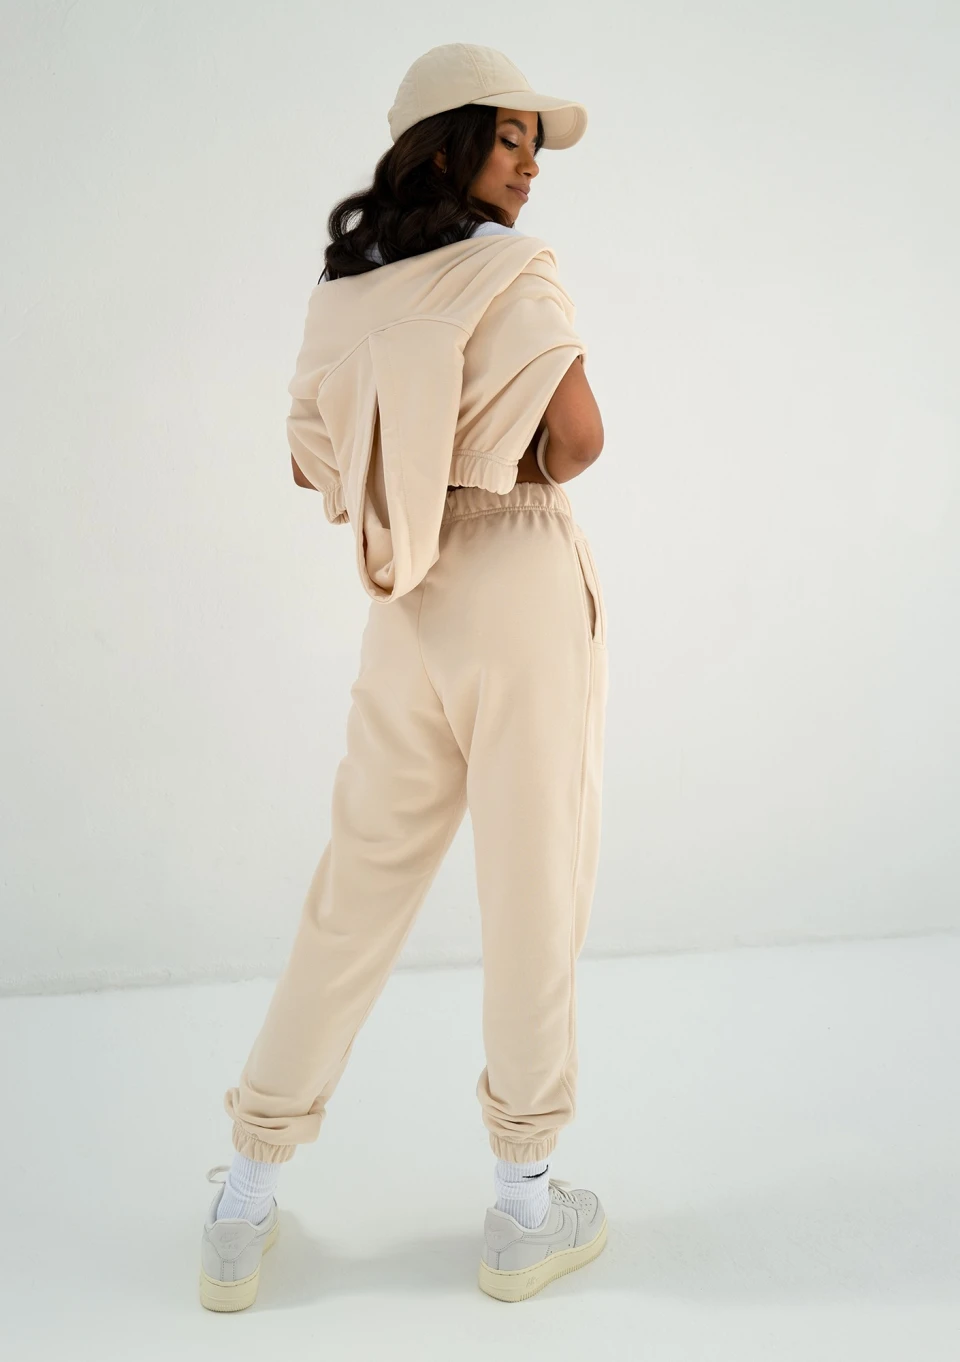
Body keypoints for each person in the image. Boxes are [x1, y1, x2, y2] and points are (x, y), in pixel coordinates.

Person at [198, 43, 609, 1310]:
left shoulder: (350, 283)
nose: (529, 167)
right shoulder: (510, 269)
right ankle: (524, 1210)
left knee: (356, 889)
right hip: (518, 578)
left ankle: (243, 1198)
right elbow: (580, 437)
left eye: (534, 145)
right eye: (509, 139)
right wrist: (502, 463)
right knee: (533, 882)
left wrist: (413, 461)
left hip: (405, 594)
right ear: (448, 142)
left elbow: (307, 461)